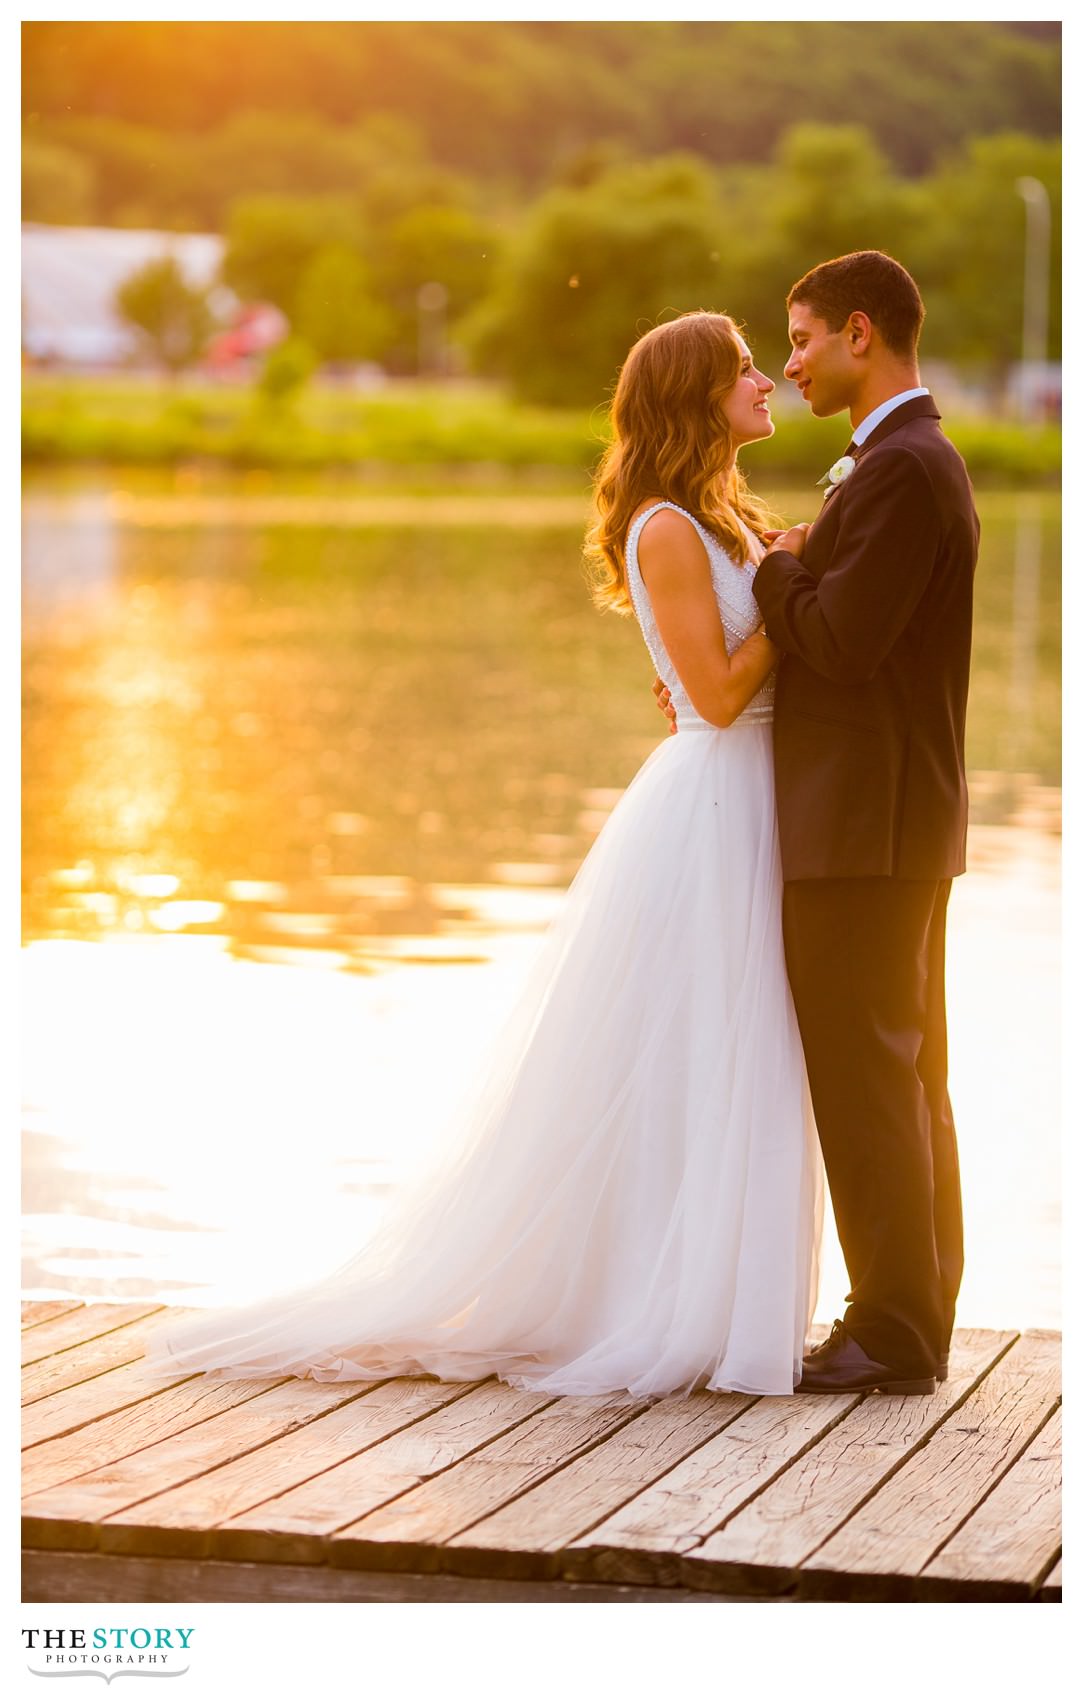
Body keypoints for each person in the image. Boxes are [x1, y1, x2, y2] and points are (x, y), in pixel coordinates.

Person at [144, 311, 822, 1400]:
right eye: (745, 365)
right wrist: (787, 588)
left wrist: (779, 571)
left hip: (752, 797)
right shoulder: (664, 528)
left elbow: (722, 676)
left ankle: (703, 1291)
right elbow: (718, 692)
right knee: (695, 1047)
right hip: (710, 808)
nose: (765, 379)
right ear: (699, 394)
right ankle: (654, 1305)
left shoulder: (730, 520)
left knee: (732, 1054)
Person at [663, 253, 977, 1397]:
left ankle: (892, 1328)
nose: (788, 364)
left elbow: (840, 640)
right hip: (886, 817)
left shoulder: (900, 469)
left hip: (865, 823)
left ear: (858, 333)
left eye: (797, 341)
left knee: (868, 1074)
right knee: (903, 1073)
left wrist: (787, 567)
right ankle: (911, 1310)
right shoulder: (898, 462)